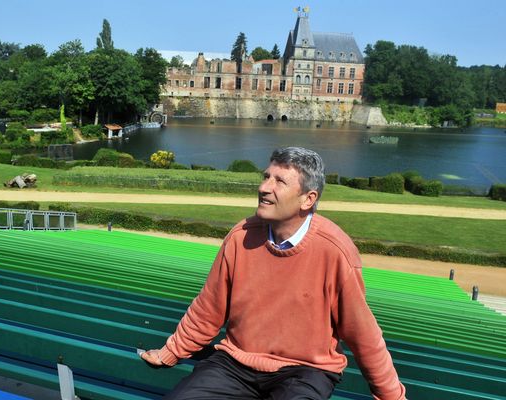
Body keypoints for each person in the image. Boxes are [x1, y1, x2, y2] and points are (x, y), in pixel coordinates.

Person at [140, 147, 406, 400]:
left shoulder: (335, 251)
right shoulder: (240, 237)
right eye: (266, 177)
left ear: (308, 199)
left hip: (305, 371)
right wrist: (171, 352)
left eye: (279, 181)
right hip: (236, 361)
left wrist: (391, 396)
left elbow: (363, 335)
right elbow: (208, 309)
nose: (264, 187)